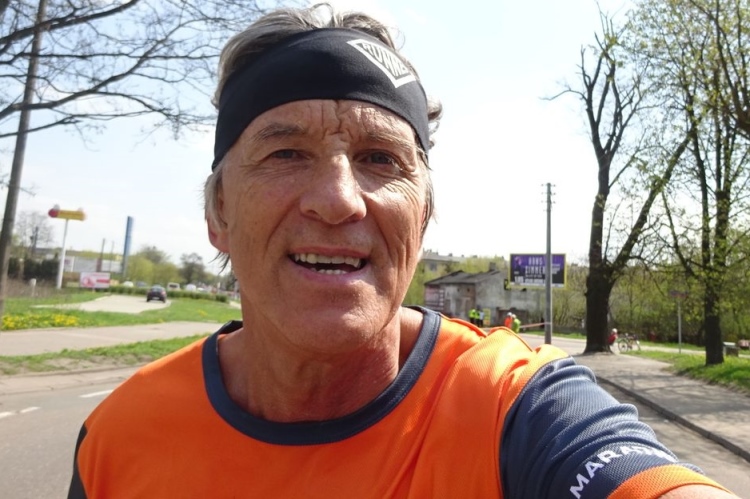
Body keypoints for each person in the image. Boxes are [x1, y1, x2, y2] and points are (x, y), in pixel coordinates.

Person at [66, 4, 737, 498]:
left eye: (380, 158)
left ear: (423, 216)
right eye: (286, 153)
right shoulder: (119, 437)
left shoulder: (515, 408)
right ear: (217, 212)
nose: (339, 200)